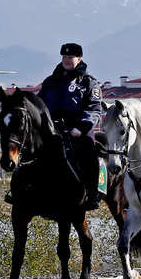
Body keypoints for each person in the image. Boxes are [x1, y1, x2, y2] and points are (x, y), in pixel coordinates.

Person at [38, 42, 102, 210]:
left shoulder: (89, 83)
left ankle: (92, 194)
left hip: (78, 132)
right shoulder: (50, 82)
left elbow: (94, 109)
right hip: (53, 131)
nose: (66, 60)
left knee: (90, 154)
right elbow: (39, 105)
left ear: (79, 58)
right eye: (64, 57)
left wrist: (80, 128)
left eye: (70, 57)